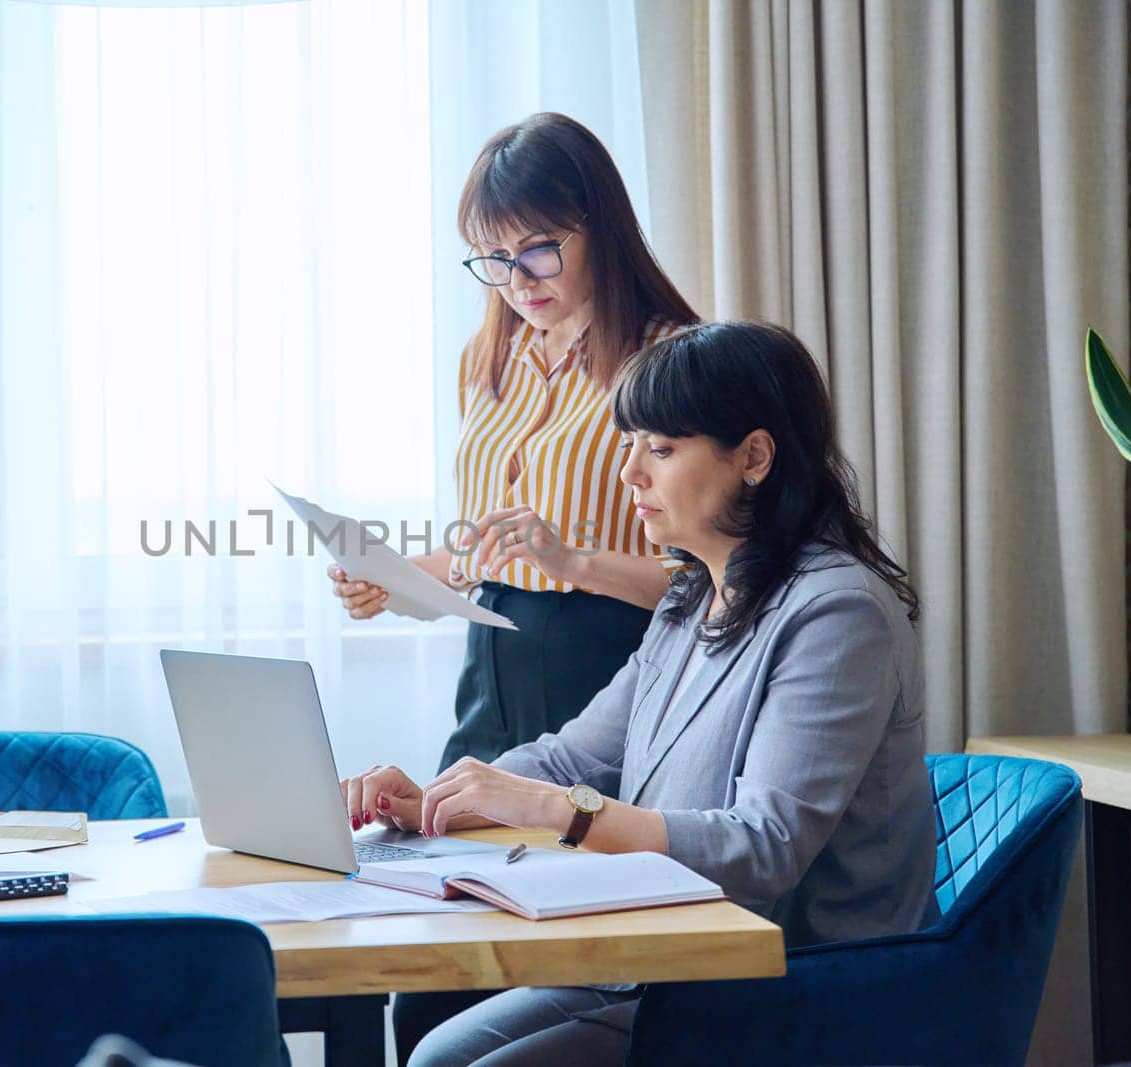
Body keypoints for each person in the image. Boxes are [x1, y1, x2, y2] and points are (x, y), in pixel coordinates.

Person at [340, 320, 941, 1067]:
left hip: (789, 982)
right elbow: (573, 758)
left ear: (754, 456)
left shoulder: (837, 612)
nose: (631, 474)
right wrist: (436, 800)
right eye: (631, 446)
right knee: (438, 1052)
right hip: (669, 961)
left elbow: (764, 847)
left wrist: (552, 811)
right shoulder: (692, 597)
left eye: (659, 449)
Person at [329, 111, 699, 771]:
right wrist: (395, 579)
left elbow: (705, 580)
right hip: (490, 666)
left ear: (601, 228)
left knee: (576, 865)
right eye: (496, 258)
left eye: (538, 248)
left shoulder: (668, 358)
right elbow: (488, 549)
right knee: (451, 860)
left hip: (609, 664)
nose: (520, 280)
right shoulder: (488, 357)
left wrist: (574, 561)